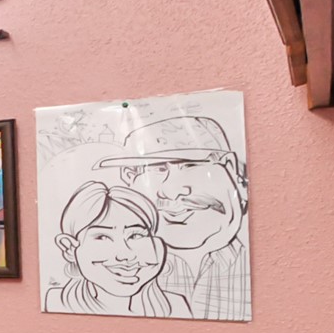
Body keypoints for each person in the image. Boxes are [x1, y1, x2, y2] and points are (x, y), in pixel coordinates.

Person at [94, 114, 248, 320]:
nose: (172, 191)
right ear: (129, 179)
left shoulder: (266, 268)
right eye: (157, 169)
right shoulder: (111, 274)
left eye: (191, 165)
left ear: (229, 167)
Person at [46, 182, 192, 318]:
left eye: (135, 235)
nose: (125, 255)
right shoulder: (56, 301)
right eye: (102, 237)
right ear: (70, 247)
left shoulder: (175, 305)